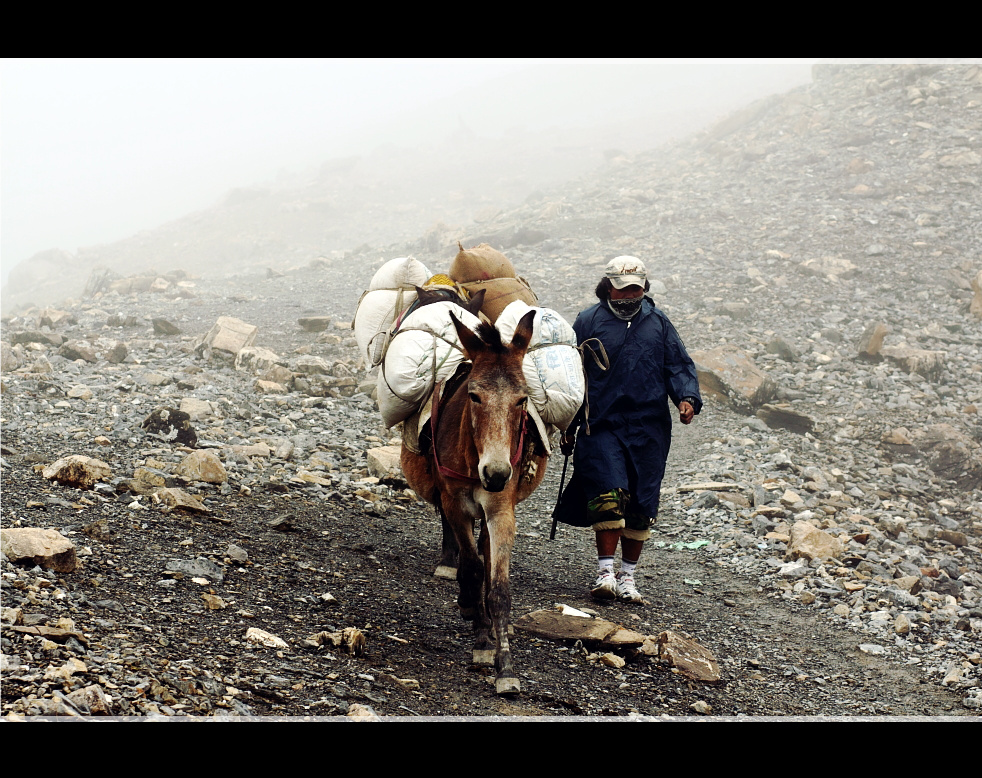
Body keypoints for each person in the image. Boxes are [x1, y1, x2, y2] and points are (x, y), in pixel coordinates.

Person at [559, 256, 702, 604]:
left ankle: (628, 578)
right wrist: (565, 420)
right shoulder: (588, 321)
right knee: (608, 493)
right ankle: (605, 572)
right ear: (608, 286)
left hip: (648, 429)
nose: (629, 295)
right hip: (601, 423)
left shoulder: (659, 324)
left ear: (645, 287)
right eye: (622, 289)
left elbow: (679, 365)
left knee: (642, 502)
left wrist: (687, 397)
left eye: (635, 288)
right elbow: (569, 372)